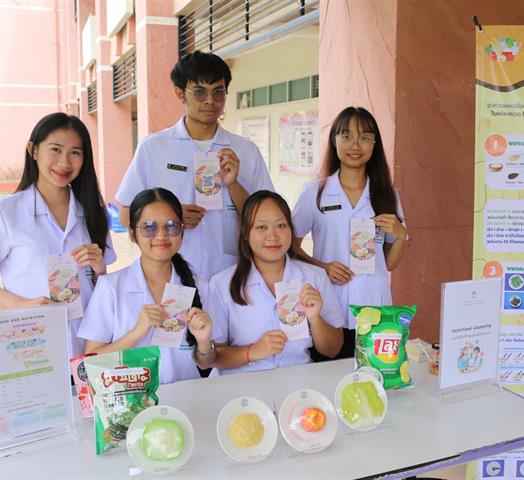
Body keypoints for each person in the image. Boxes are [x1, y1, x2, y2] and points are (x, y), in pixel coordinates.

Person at [115, 50, 273, 278]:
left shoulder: (245, 151)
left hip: (232, 276)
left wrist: (234, 185)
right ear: (180, 93)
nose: (210, 101)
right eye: (200, 92)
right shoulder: (153, 148)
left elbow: (267, 218)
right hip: (171, 276)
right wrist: (173, 216)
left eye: (218, 92)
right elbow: (125, 214)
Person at [292, 107, 407, 360]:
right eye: (346, 136)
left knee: (374, 380)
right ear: (334, 141)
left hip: (373, 306)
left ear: (374, 144)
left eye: (365, 137)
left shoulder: (388, 194)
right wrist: (322, 267)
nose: (355, 145)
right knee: (329, 377)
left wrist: (401, 234)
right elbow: (291, 245)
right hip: (329, 302)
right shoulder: (315, 192)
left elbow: (390, 263)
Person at [0, 112, 116, 357]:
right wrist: (25, 306)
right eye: (55, 149)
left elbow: (103, 288)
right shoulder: (7, 213)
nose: (65, 162)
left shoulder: (94, 212)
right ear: (33, 150)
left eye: (75, 152)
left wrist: (99, 270)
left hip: (87, 346)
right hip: (29, 345)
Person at [78, 188, 215, 384]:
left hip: (186, 405)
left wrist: (203, 341)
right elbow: (89, 364)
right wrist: (136, 333)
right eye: (149, 227)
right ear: (133, 234)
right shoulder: (110, 288)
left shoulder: (200, 285)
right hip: (131, 407)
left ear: (182, 232)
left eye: (171, 226)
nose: (161, 235)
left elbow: (206, 364)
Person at [207, 190, 343, 375]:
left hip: (297, 382)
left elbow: (332, 349)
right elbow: (214, 357)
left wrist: (315, 319)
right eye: (262, 227)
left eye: (281, 225)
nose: (273, 236)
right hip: (242, 389)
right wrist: (253, 351)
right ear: (246, 232)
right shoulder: (221, 284)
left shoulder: (315, 277)